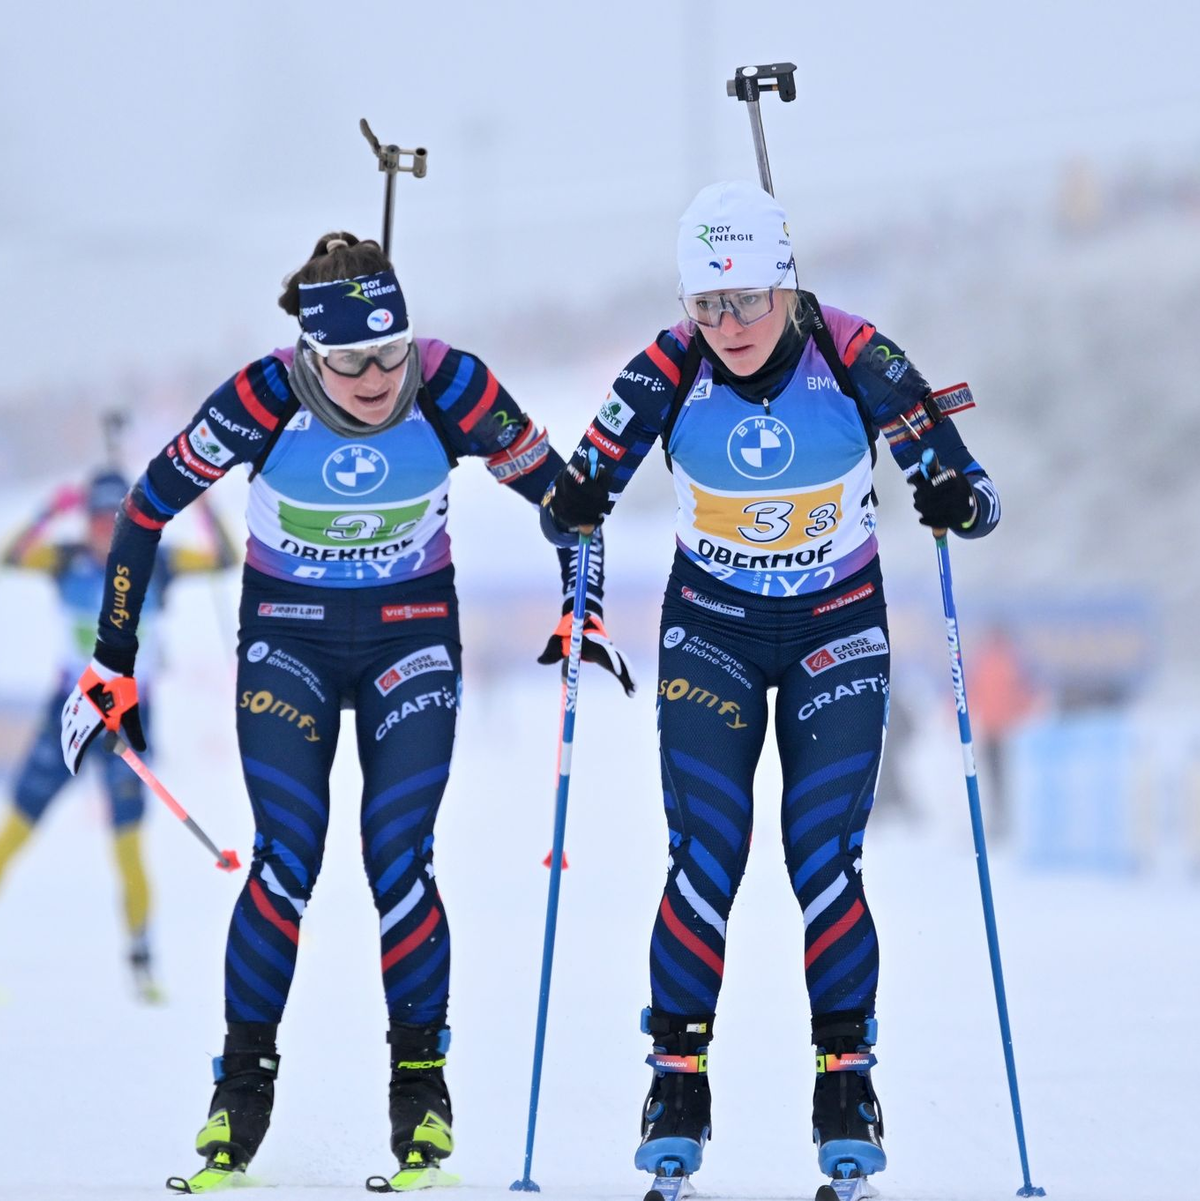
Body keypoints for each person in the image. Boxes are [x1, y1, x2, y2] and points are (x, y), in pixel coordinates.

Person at [58, 233, 633, 1193]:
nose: (375, 378)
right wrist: (111, 660)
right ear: (311, 351)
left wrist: (585, 598)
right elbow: (146, 508)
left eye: (390, 351)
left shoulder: (452, 384)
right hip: (288, 639)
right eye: (350, 360)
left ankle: (422, 1096)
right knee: (289, 857)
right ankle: (238, 1095)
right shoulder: (261, 395)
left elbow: (569, 501)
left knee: (398, 859)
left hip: (411, 636)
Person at [540, 181, 1000, 1188]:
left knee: (822, 857)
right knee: (706, 856)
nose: (728, 325)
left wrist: (951, 493)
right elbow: (580, 487)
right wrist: (572, 505)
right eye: (707, 305)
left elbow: (975, 497)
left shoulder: (855, 351)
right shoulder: (667, 365)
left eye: (747, 300)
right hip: (712, 635)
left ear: (787, 284)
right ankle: (675, 1085)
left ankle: (846, 1086)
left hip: (838, 629)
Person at [0, 468, 236, 1002]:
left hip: (129, 721)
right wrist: (47, 509)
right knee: (13, 832)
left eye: (115, 519)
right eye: (95, 519)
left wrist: (201, 506)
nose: (104, 529)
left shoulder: (157, 561)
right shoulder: (65, 560)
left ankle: (141, 960)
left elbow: (225, 558)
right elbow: (9, 557)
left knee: (128, 847)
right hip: (70, 714)